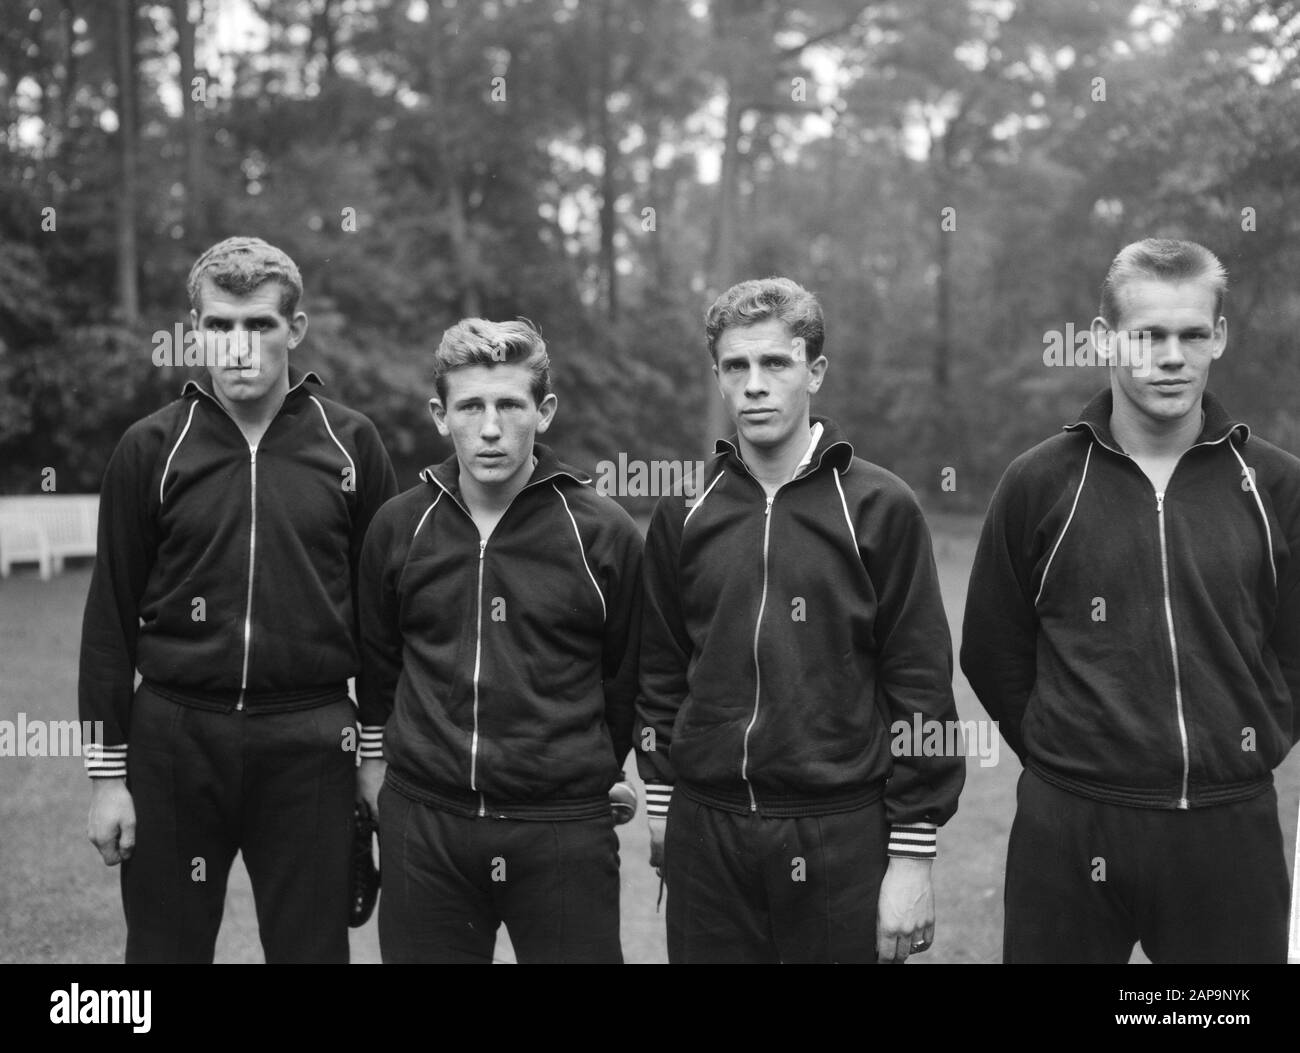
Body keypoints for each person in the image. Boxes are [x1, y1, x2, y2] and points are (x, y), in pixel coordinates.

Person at [961, 237, 1300, 963]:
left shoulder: (1276, 485)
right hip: (1069, 830)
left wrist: (1250, 744)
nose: (1170, 356)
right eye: (1147, 334)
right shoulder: (1039, 482)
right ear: (1102, 339)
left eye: (1190, 334)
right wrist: (1068, 761)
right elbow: (993, 648)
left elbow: (1295, 649)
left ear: (1219, 337)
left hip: (1227, 827)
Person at [79, 236, 397, 963]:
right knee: (162, 953)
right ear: (196, 331)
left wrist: (374, 757)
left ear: (295, 329)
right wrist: (105, 778)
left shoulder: (352, 445)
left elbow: (385, 623)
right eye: (219, 325)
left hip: (312, 740)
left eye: (258, 324)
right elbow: (108, 620)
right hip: (174, 738)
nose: (239, 345)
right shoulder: (150, 448)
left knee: (312, 951)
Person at [635, 277, 965, 963]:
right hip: (708, 831)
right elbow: (661, 667)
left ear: (813, 371)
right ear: (720, 378)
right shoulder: (684, 511)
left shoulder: (879, 507)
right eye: (736, 366)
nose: (755, 384)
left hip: (839, 834)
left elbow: (919, 685)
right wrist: (663, 799)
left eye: (775, 363)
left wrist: (911, 856)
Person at [356, 317, 642, 964]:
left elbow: (627, 677)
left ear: (543, 411)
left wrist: (591, 768)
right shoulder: (398, 528)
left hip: (564, 830)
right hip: (426, 824)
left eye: (510, 404)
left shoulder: (604, 533)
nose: (490, 427)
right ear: (439, 414)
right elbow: (378, 668)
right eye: (471, 406)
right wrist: (379, 773)